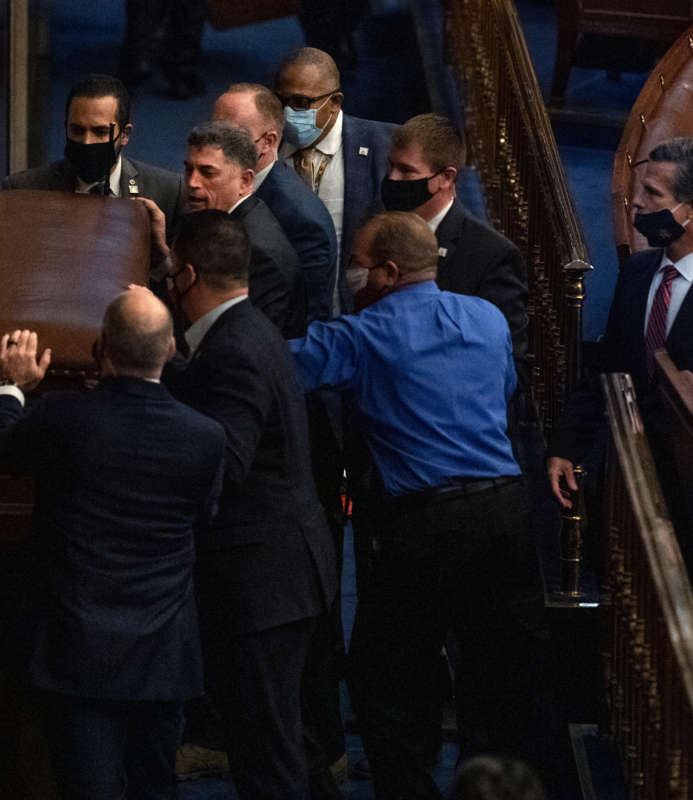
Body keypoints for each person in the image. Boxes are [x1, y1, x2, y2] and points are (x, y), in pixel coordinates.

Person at [289, 211, 546, 799]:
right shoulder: (485, 317)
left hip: (429, 525)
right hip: (509, 512)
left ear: (385, 270)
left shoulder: (366, 333)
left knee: (384, 678)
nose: (350, 273)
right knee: (500, 673)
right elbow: (504, 390)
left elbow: (278, 364)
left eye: (356, 262)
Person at [0, 289, 225, 799]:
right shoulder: (206, 436)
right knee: (155, 787)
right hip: (163, 653)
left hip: (78, 649)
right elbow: (203, 516)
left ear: (101, 349)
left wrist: (10, 387)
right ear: (173, 350)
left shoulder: (66, 417)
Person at [164, 210, 339, 799]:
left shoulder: (232, 349)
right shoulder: (249, 329)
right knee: (282, 742)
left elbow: (225, 461)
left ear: (186, 276)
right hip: (282, 573)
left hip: (262, 582)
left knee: (267, 755)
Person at [548, 137, 693, 508]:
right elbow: (607, 368)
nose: (638, 202)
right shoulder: (638, 273)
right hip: (624, 477)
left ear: (691, 208)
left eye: (652, 193)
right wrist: (568, 444)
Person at [382, 113, 530, 414]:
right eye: (391, 166)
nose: (393, 179)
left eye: (406, 171)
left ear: (446, 178)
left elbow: (506, 363)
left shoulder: (490, 255)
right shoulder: (378, 229)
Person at [141, 120, 306, 338]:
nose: (192, 182)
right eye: (189, 169)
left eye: (207, 173)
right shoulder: (203, 212)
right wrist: (163, 258)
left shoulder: (260, 255)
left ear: (245, 181)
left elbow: (240, 341)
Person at [274, 47, 396, 314]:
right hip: (283, 314)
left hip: (357, 314)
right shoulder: (263, 147)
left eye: (301, 103)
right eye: (280, 101)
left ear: (335, 102)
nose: (287, 112)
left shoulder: (387, 147)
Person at [213, 83, 339, 322]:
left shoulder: (303, 221)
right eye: (213, 131)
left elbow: (307, 322)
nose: (215, 146)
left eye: (231, 136)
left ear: (268, 142)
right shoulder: (208, 181)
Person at [2, 74, 184, 232]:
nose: (87, 142)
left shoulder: (167, 192)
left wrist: (160, 251)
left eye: (100, 132)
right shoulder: (23, 190)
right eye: (77, 130)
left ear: (125, 135)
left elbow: (176, 269)